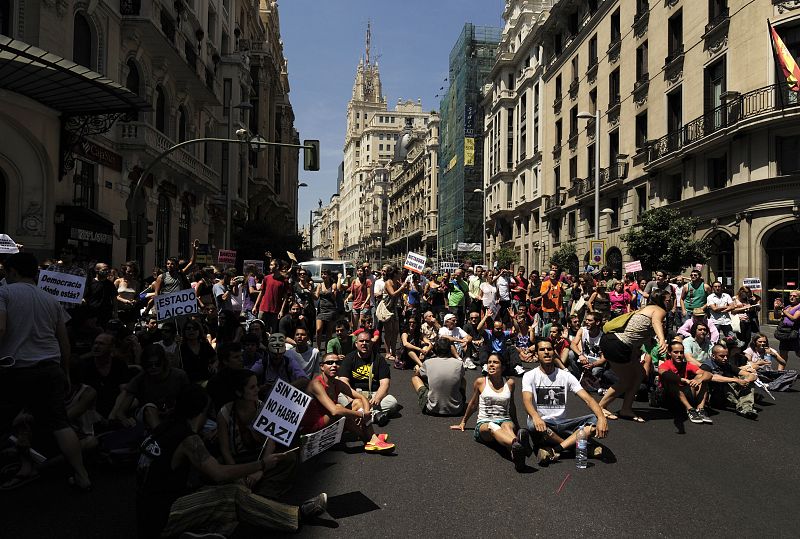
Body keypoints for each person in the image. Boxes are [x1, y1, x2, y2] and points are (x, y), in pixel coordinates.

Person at [136, 385, 327, 538]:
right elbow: (219, 473)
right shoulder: (188, 439)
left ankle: (207, 532)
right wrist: (261, 465)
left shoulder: (163, 428)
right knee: (232, 494)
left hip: (148, 510)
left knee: (221, 497)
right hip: (162, 517)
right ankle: (297, 515)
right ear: (201, 412)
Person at [0, 252, 91, 490]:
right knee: (60, 423)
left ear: (12, 271)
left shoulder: (4, 293)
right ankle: (82, 475)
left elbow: (0, 329)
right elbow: (64, 341)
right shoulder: (50, 299)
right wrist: (66, 372)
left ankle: (25, 467)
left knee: (15, 421)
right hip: (50, 368)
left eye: (5, 272)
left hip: (17, 369)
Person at [519, 340, 608, 466]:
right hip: (544, 425)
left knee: (594, 420)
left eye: (549, 349)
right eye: (542, 350)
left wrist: (601, 418)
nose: (546, 352)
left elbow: (588, 399)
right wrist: (536, 417)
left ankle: (556, 449)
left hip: (563, 424)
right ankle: (576, 446)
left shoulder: (566, 376)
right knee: (532, 423)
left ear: (554, 352)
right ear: (537, 354)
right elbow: (527, 401)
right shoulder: (529, 376)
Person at [597, 288, 672, 422]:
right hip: (617, 343)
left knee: (639, 374)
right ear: (662, 301)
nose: (671, 301)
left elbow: (645, 337)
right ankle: (600, 406)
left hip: (618, 343)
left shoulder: (646, 309)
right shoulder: (659, 310)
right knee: (626, 380)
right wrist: (662, 339)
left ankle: (626, 408)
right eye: (668, 299)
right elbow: (656, 322)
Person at [302, 353, 395, 452]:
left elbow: (361, 398)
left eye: (337, 362)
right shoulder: (316, 384)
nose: (334, 365)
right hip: (313, 427)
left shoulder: (337, 383)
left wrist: (366, 412)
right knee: (340, 410)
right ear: (322, 367)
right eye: (329, 363)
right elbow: (334, 411)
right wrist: (361, 414)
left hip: (329, 421)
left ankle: (372, 438)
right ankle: (369, 439)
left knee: (358, 402)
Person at [450, 353, 525, 471]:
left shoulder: (509, 383)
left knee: (508, 426)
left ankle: (516, 453)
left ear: (503, 367)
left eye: (495, 362)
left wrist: (517, 424)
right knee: (492, 426)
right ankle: (516, 442)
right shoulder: (480, 382)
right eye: (489, 362)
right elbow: (473, 404)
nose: (491, 365)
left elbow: (512, 406)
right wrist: (463, 422)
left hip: (504, 419)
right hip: (485, 424)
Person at [111, 344, 190, 430]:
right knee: (149, 407)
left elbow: (188, 399)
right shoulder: (140, 379)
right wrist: (125, 420)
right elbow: (121, 411)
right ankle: (160, 434)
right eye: (149, 365)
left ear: (163, 362)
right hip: (149, 414)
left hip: (174, 413)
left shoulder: (179, 375)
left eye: (157, 364)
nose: (153, 367)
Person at [338, 331, 399, 424]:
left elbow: (385, 383)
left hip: (373, 395)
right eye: (361, 341)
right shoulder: (349, 358)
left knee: (392, 402)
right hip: (355, 394)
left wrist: (377, 398)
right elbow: (343, 381)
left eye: (367, 341)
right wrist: (352, 398)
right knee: (340, 395)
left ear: (371, 343)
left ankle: (358, 413)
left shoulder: (379, 359)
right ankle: (374, 415)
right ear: (356, 343)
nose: (364, 344)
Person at [658, 341, 713, 424]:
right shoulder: (665, 365)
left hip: (684, 394)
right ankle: (690, 409)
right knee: (671, 380)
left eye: (681, 352)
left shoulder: (687, 365)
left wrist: (699, 380)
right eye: (675, 352)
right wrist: (681, 379)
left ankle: (700, 410)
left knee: (702, 377)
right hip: (669, 397)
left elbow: (708, 374)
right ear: (669, 353)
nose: (679, 355)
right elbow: (664, 373)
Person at [409, 339, 466, 417]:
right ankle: (457, 399)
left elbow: (418, 374)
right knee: (463, 380)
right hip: (456, 409)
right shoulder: (459, 364)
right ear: (450, 349)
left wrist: (418, 369)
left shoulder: (428, 363)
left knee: (415, 378)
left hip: (432, 409)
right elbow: (460, 376)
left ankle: (430, 398)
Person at [705, 344, 758, 419]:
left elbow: (751, 375)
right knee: (724, 382)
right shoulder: (707, 365)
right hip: (715, 396)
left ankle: (746, 408)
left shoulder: (727, 364)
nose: (725, 358)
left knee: (746, 379)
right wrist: (736, 380)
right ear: (713, 356)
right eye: (722, 356)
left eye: (727, 356)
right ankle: (743, 406)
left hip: (727, 394)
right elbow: (712, 377)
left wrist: (746, 380)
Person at [252, 258, 289, 333]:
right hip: (263, 308)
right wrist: (255, 306)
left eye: (271, 265)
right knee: (260, 330)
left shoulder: (284, 281)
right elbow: (261, 293)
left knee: (273, 331)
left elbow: (285, 297)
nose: (270, 267)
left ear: (277, 266)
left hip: (275, 311)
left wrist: (281, 311)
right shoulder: (266, 278)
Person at [179, 320, 217, 384]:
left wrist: (214, 365)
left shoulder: (205, 345)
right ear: (184, 331)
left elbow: (216, 358)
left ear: (199, 331)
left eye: (194, 328)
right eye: (188, 328)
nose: (191, 330)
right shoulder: (181, 348)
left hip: (207, 380)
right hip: (189, 382)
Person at [84, 262, 118, 328]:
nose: (107, 271)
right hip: (92, 313)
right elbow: (85, 296)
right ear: (96, 270)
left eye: (108, 270)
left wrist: (115, 312)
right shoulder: (90, 283)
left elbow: (114, 298)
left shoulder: (110, 284)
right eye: (104, 270)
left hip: (106, 313)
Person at [314, 268, 339, 351]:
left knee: (329, 332)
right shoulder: (320, 285)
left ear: (329, 275)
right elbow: (316, 297)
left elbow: (334, 298)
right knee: (318, 329)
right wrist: (310, 293)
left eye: (325, 274)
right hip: (321, 310)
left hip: (331, 310)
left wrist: (332, 293)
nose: (323, 276)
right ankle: (318, 347)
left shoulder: (333, 285)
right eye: (322, 274)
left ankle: (327, 348)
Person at [776, 290, 800, 368]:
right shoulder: (788, 307)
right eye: (790, 296)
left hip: (795, 334)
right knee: (783, 354)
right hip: (785, 333)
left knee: (798, 353)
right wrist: (776, 308)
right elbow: (777, 316)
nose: (792, 297)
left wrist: (784, 312)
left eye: (794, 296)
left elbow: (794, 318)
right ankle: (779, 374)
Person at [114, 261, 141, 328]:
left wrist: (135, 301)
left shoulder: (136, 283)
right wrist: (124, 301)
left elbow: (138, 296)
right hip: (119, 311)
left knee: (129, 331)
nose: (131, 273)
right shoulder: (118, 281)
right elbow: (113, 296)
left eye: (133, 271)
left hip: (130, 311)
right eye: (129, 271)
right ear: (124, 271)